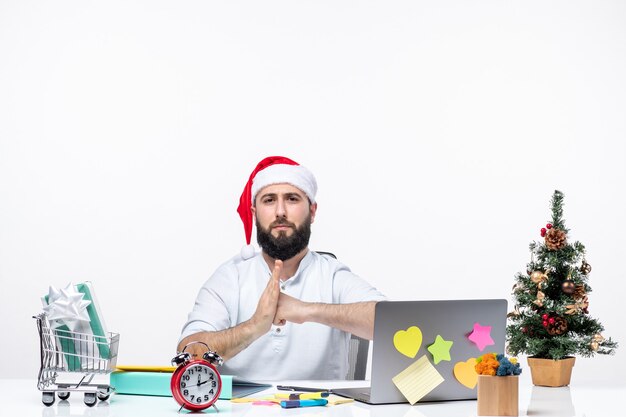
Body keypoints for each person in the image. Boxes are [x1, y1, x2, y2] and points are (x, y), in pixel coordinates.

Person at [178, 156, 385, 380]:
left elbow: (392, 324)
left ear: (312, 211)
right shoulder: (230, 277)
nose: (280, 212)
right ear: (255, 212)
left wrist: (306, 310)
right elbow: (187, 353)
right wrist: (255, 326)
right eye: (269, 200)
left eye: (292, 198)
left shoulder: (332, 275)